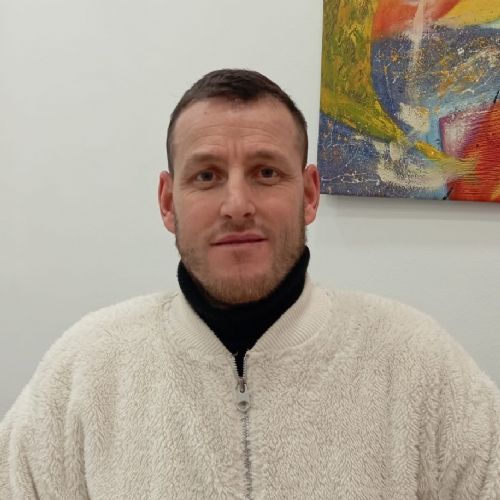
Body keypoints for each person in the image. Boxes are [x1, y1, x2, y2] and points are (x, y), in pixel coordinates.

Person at [1, 69, 499, 499]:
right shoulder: (83, 372)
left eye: (265, 172)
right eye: (206, 176)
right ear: (168, 202)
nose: (237, 205)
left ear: (309, 195)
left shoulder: (417, 362)